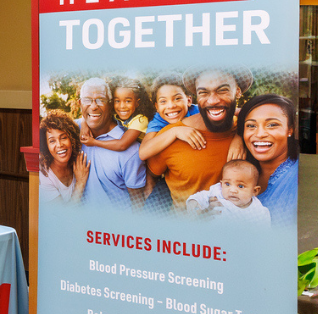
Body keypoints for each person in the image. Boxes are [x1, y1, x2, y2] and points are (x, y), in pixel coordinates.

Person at [147, 67, 251, 209]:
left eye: (222, 90)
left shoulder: (252, 132)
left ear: (237, 91)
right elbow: (151, 174)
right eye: (203, 92)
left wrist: (240, 134)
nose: (213, 100)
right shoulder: (169, 137)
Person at [76, 78, 146, 209]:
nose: (93, 106)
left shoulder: (131, 150)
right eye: (87, 100)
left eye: (100, 100)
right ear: (80, 103)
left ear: (109, 104)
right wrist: (83, 121)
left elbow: (138, 204)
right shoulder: (70, 133)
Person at [237, 93, 298, 226]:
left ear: (290, 130)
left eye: (272, 125)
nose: (259, 134)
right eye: (251, 126)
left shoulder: (296, 176)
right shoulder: (237, 169)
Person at [186, 159, 271, 224]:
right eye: (227, 184)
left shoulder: (258, 212)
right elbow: (198, 198)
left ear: (254, 191)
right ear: (221, 184)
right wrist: (196, 210)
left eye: (240, 186)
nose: (232, 190)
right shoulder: (217, 192)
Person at [38, 109, 89, 204]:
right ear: (46, 146)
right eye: (52, 141)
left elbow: (86, 118)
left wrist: (84, 122)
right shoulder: (45, 175)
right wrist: (80, 183)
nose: (59, 144)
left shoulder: (76, 162)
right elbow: (64, 216)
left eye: (64, 137)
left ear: (72, 139)